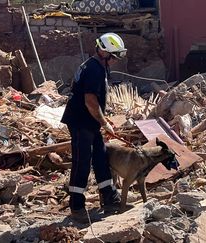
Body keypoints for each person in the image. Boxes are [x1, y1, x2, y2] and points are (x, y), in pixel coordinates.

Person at [61, 33, 127, 223]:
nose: (116, 60)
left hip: (89, 121)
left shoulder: (96, 66)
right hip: (81, 121)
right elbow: (90, 101)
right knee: (82, 162)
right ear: (105, 52)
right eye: (115, 56)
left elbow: (95, 101)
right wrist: (104, 123)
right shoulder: (94, 69)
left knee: (100, 156)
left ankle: (109, 197)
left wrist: (103, 120)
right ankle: (77, 206)